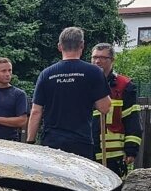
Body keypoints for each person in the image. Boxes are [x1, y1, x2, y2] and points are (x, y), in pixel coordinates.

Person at [26, 27, 111, 157]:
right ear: (82, 45)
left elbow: (36, 111)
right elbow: (104, 108)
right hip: (81, 142)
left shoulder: (46, 74)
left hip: (52, 142)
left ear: (60, 47)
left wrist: (30, 141)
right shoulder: (94, 72)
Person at [90, 43, 142, 176]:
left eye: (102, 58)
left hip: (113, 154)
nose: (97, 61)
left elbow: (132, 118)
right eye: (94, 57)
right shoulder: (84, 83)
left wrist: (131, 148)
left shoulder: (124, 85)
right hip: (87, 150)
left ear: (112, 60)